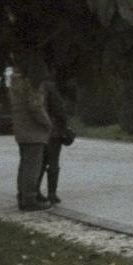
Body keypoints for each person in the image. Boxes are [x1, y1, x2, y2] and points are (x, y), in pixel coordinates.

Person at [8, 52, 54, 212]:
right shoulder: (31, 83)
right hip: (33, 130)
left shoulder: (15, 80)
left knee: (24, 164)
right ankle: (29, 199)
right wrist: (48, 123)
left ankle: (22, 196)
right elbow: (35, 106)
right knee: (33, 166)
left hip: (21, 128)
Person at [39, 75, 73, 205]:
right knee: (53, 163)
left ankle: (35, 191)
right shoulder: (50, 86)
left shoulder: (37, 86)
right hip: (54, 131)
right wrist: (64, 124)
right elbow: (59, 110)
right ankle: (51, 194)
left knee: (41, 162)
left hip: (41, 130)